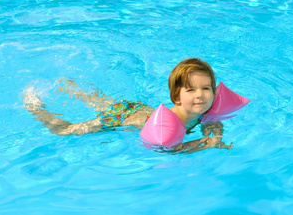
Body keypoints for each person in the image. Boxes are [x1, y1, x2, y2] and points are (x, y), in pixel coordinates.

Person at [23, 58, 233, 152]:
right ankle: (36, 108)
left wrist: (216, 134)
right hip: (125, 118)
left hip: (136, 108)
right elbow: (173, 149)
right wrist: (207, 144)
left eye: (206, 89)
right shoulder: (172, 124)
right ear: (176, 98)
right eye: (191, 90)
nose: (200, 96)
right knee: (66, 131)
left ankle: (67, 87)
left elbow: (212, 122)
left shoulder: (206, 112)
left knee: (99, 101)